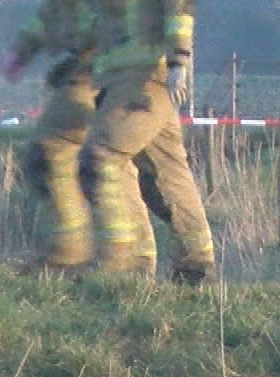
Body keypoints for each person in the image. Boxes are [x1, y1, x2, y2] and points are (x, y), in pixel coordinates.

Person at [5, 0, 158, 274]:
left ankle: (74, 253)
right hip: (115, 73)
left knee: (55, 151)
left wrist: (24, 51)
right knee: (111, 162)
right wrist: (23, 50)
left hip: (99, 71)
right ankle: (136, 259)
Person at [83, 0, 215, 283]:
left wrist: (178, 60)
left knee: (101, 159)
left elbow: (179, 7)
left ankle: (130, 263)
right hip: (123, 81)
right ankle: (195, 265)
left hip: (144, 79)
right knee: (167, 173)